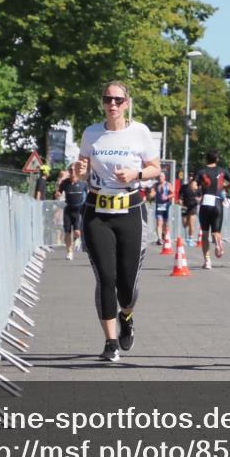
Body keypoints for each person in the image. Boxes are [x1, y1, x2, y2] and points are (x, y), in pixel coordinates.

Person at [75, 81, 160, 363]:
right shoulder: (91, 133)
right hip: (97, 212)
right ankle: (110, 341)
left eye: (118, 100)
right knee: (105, 278)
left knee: (126, 284)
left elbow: (155, 169)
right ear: (102, 102)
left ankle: (127, 315)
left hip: (131, 210)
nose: (112, 104)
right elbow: (82, 168)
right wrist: (78, 170)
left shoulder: (140, 132)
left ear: (127, 103)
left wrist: (136, 174)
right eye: (107, 99)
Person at [195, 149, 230, 270]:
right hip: (218, 201)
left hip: (206, 202)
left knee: (204, 232)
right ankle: (218, 242)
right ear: (217, 159)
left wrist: (198, 186)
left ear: (206, 159)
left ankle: (207, 260)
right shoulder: (223, 171)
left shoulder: (201, 171)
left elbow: (193, 185)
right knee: (216, 231)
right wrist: (225, 187)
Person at [58, 164, 88, 260]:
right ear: (69, 171)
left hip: (79, 210)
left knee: (77, 232)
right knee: (67, 232)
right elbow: (57, 192)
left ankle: (75, 241)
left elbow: (89, 195)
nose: (72, 171)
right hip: (68, 210)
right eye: (70, 170)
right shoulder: (64, 183)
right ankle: (69, 252)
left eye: (74, 169)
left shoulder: (83, 184)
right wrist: (57, 193)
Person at [150, 172, 174, 246]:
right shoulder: (155, 185)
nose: (160, 178)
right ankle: (159, 238)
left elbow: (173, 194)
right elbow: (152, 194)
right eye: (159, 176)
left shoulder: (168, 184)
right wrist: (150, 195)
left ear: (164, 177)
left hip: (166, 206)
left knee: (165, 223)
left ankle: (163, 235)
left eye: (161, 176)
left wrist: (167, 197)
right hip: (159, 206)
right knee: (159, 222)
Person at [179, 177, 200, 246]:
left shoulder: (197, 187)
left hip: (193, 206)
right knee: (185, 223)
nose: (191, 180)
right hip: (185, 206)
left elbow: (201, 196)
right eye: (189, 179)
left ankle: (190, 238)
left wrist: (198, 199)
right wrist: (180, 200)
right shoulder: (184, 187)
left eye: (192, 179)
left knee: (191, 223)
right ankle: (187, 236)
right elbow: (180, 195)